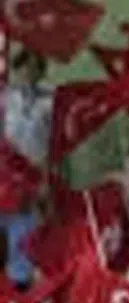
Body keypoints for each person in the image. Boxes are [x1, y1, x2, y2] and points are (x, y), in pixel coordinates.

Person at [1, 50, 52, 289]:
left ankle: (20, 289)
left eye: (35, 67)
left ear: (41, 71)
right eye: (24, 67)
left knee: (22, 241)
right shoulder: (4, 98)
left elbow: (55, 145)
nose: (29, 72)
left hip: (32, 178)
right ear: (16, 68)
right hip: (4, 174)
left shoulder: (51, 99)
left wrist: (44, 183)